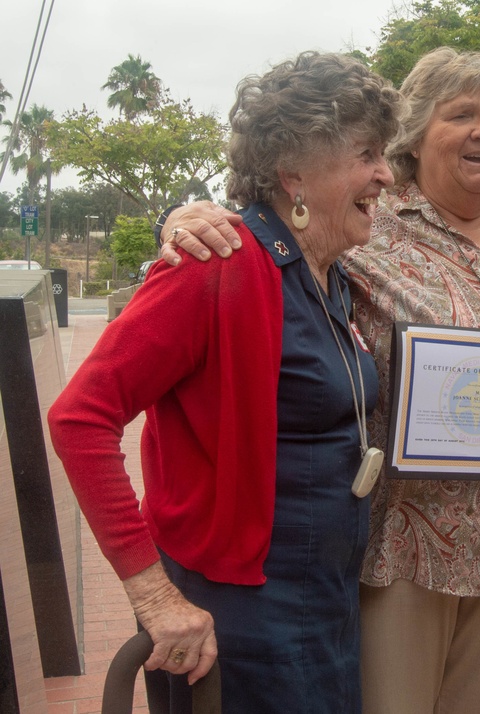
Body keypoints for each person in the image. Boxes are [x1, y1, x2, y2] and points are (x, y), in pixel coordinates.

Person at [160, 46, 480, 714]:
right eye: (462, 115)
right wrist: (179, 218)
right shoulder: (366, 223)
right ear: (416, 135)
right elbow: (263, 233)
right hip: (400, 552)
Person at [47, 51, 404, 713]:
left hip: (324, 605)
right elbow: (79, 417)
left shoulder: (327, 274)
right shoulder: (219, 265)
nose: (385, 173)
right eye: (367, 153)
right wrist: (152, 597)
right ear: (294, 171)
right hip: (241, 623)